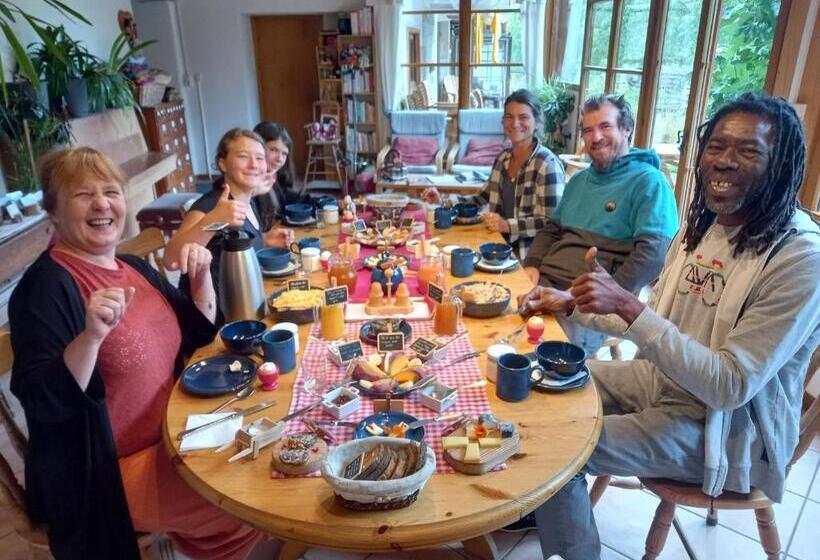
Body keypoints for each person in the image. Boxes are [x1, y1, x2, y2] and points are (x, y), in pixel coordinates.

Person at [519, 93, 820, 560]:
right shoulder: (704, 227)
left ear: (781, 164)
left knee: (562, 446)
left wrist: (632, 310)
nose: (724, 162)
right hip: (661, 380)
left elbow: (729, 385)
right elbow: (654, 320)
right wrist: (569, 301)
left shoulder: (800, 259)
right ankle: (547, 505)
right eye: (716, 147)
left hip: (728, 431)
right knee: (539, 388)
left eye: (748, 151)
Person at [9, 147, 265, 558]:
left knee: (265, 459)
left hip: (179, 434)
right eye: (82, 195)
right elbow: (41, 399)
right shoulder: (44, 289)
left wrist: (201, 280)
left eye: (111, 192)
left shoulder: (132, 267)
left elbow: (196, 335)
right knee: (247, 502)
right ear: (53, 211)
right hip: (107, 473)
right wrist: (90, 337)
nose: (101, 204)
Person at [519, 93, 678, 356]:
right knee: (487, 331)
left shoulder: (649, 182)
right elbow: (552, 230)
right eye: (588, 130)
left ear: (626, 129)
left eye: (605, 126)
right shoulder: (580, 180)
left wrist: (600, 295)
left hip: (587, 306)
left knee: (532, 362)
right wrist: (533, 265)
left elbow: (653, 256)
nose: (595, 137)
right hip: (545, 286)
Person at [423, 88, 564, 257]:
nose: (515, 123)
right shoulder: (503, 159)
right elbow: (480, 198)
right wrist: (444, 201)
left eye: (524, 117)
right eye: (509, 117)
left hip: (530, 257)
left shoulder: (547, 165)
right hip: (495, 247)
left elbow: (551, 223)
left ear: (537, 123)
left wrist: (506, 225)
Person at [164, 128, 295, 309]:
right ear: (223, 163)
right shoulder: (210, 205)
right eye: (243, 156)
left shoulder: (247, 201)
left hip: (244, 304)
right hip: (212, 319)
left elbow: (231, 241)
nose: (254, 165)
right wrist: (215, 220)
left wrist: (264, 240)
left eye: (259, 158)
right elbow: (170, 260)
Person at [253, 120, 314, 223]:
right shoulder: (249, 186)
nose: (279, 159)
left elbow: (293, 200)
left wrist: (327, 203)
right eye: (273, 150)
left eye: (284, 154)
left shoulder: (275, 177)